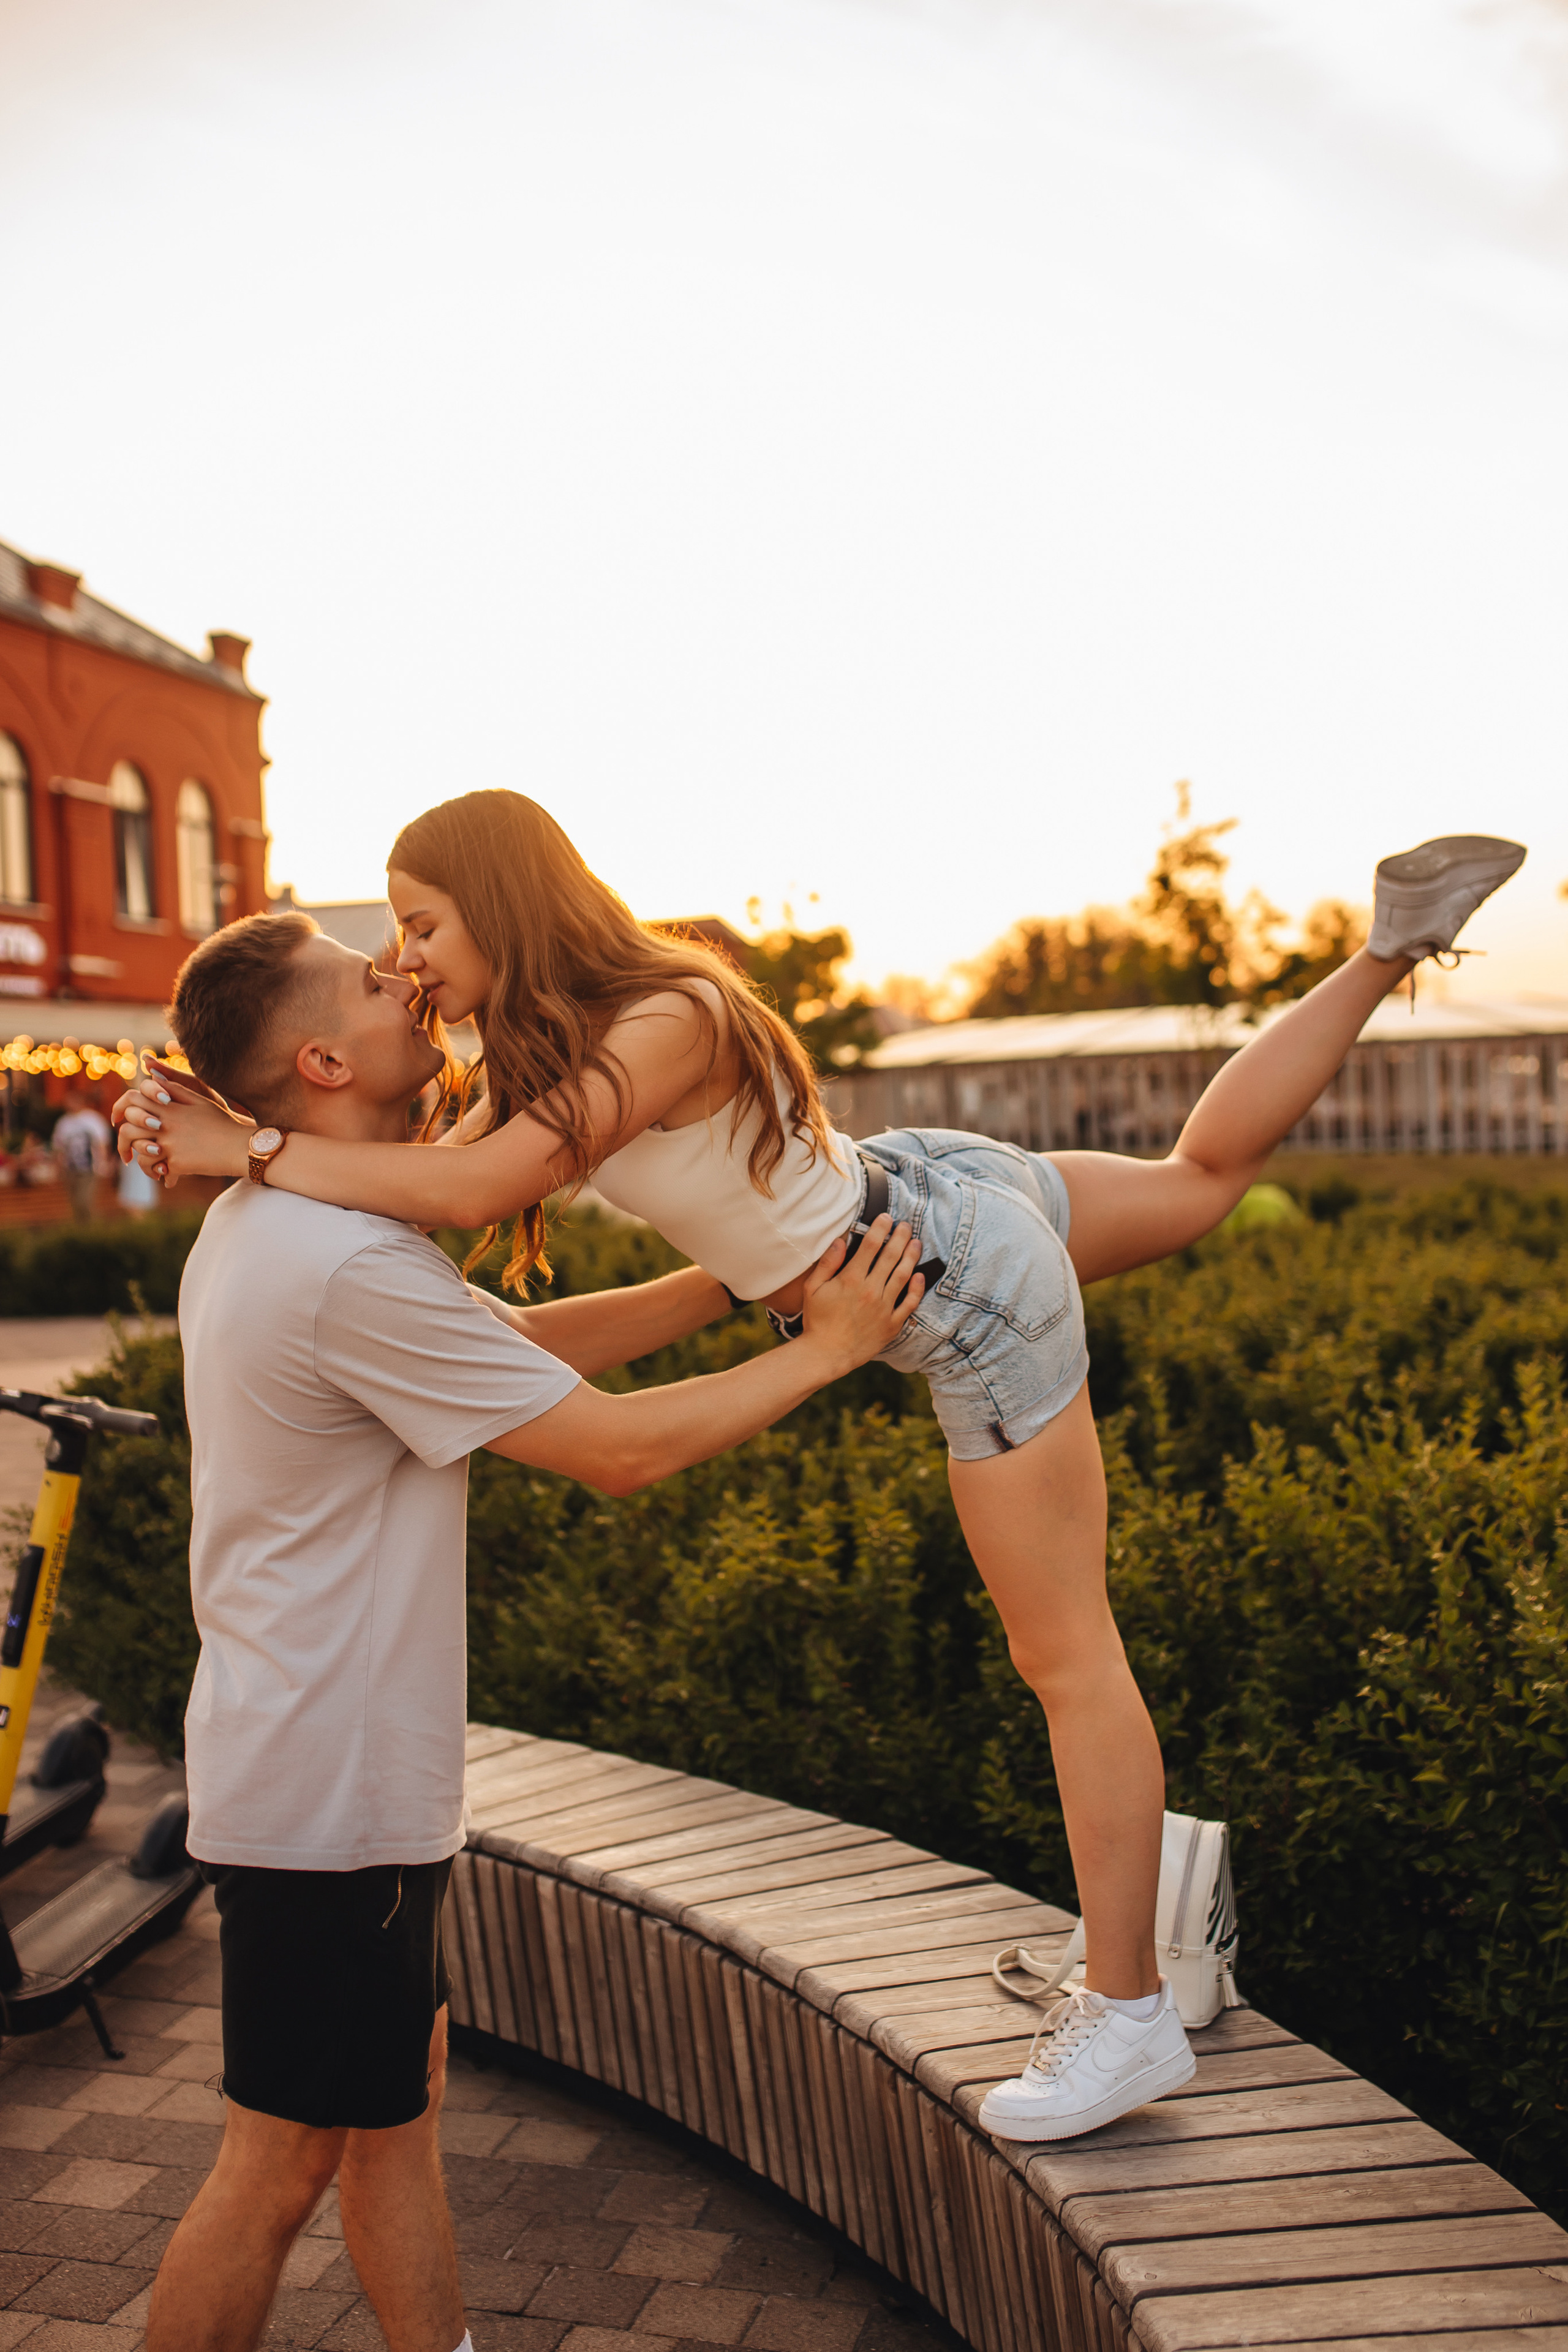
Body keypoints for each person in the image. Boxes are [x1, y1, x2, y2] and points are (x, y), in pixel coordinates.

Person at [118, 805, 1526, 2144]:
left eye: (421, 921)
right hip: (926, 1199)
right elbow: (425, 1194)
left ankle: (1130, 2008)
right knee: (1205, 1171)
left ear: (499, 897)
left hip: (948, 1281)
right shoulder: (574, 1037)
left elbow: (469, 1195)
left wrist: (235, 1143)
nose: (406, 957)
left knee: (1068, 1657)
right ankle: (1391, 941)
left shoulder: (659, 1016)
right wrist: (231, 1104)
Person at [140, 910, 923, 2352]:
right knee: (279, 2163)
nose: (410, 978)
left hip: (322, 1780)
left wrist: (732, 1276)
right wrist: (826, 1349)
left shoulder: (300, 1227)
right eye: (375, 982)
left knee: (394, 2123)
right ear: (322, 1058)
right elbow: (613, 1450)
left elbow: (509, 1351)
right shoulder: (338, 1260)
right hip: (329, 1802)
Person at [50, 1088, 112, 1218]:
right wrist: (59, 1168)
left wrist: (103, 1163)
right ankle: (81, 1231)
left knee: (85, 1201)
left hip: (90, 1169)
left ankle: (93, 1229)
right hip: (70, 1169)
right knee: (74, 1203)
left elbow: (102, 1143)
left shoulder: (92, 1119)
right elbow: (59, 1148)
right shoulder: (64, 1123)